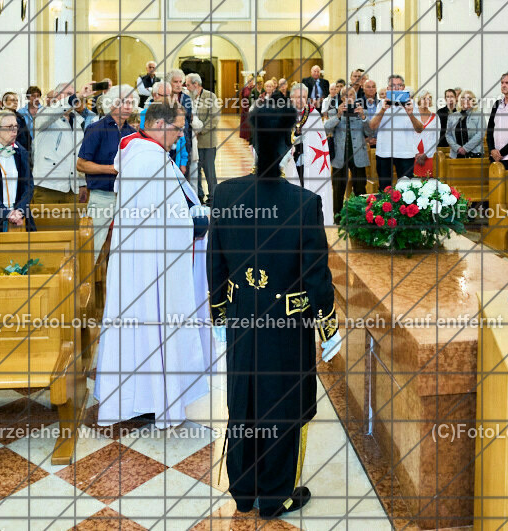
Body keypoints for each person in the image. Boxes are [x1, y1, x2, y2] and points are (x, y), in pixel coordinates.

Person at [208, 102, 341, 520]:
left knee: (244, 399)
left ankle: (244, 491)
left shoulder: (226, 193)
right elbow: (316, 274)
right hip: (287, 323)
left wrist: (219, 312)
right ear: (287, 145)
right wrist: (328, 325)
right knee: (282, 405)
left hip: (243, 318)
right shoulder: (303, 203)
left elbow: (216, 261)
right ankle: (275, 496)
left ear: (250, 139)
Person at [93, 101, 212, 430]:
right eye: (176, 128)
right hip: (151, 265)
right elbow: (166, 219)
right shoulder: (148, 159)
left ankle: (146, 396)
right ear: (159, 125)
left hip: (145, 260)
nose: (179, 135)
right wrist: (195, 223)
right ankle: (152, 397)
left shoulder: (142, 153)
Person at [77, 85, 139, 255]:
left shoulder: (133, 134)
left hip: (126, 197)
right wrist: (112, 169)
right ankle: (84, 281)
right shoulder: (96, 129)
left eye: (131, 102)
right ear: (111, 104)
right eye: (123, 102)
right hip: (102, 196)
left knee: (125, 246)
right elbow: (81, 165)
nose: (128, 106)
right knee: (93, 246)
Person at [283, 83, 334, 225]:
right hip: (290, 161)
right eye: (297, 97)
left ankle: (310, 221)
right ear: (291, 97)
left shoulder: (313, 114)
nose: (301, 100)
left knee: (308, 190)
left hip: (310, 161)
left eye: (304, 97)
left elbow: (318, 141)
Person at [31, 83, 87, 204]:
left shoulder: (78, 122)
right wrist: (77, 96)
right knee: (46, 222)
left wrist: (82, 184)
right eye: (68, 94)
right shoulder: (44, 114)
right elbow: (53, 112)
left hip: (72, 188)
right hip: (48, 186)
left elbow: (78, 155)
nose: (73, 98)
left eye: (73, 95)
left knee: (72, 223)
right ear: (56, 97)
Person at [369, 75, 426, 186]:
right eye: (392, 86)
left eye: (399, 85)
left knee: (406, 190)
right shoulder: (381, 104)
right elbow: (372, 126)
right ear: (388, 88)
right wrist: (383, 110)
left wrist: (410, 114)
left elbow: (420, 129)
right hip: (384, 152)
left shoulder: (411, 104)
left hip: (405, 153)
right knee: (385, 188)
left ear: (403, 87)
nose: (395, 88)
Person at [324, 86, 371, 213]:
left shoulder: (362, 111)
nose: (348, 97)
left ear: (355, 97)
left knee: (360, 188)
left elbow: (370, 131)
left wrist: (363, 117)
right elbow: (326, 129)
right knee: (338, 188)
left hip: (358, 155)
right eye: (345, 95)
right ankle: (337, 216)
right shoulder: (334, 111)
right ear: (341, 97)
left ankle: (361, 215)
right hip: (340, 156)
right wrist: (338, 115)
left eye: (351, 95)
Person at [187, 73, 221, 205]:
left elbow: (214, 119)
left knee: (209, 171)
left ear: (196, 84)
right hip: (193, 142)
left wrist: (199, 131)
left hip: (207, 140)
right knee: (196, 171)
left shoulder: (210, 96)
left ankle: (213, 197)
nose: (187, 87)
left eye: (188, 84)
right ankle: (199, 196)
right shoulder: (188, 97)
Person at [446, 90, 485, 158]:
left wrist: (465, 148)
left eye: (469, 98)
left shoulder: (479, 115)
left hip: (474, 154)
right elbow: (448, 135)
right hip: (456, 154)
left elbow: (480, 134)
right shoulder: (452, 116)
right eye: (463, 98)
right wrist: (457, 148)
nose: (466, 100)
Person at [413, 92, 439, 178]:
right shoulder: (413, 116)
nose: (426, 101)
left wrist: (426, 154)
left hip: (429, 156)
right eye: (423, 98)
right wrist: (415, 153)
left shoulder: (435, 117)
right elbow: (408, 136)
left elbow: (436, 137)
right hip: (413, 156)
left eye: (428, 99)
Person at [239, 72, 257, 143]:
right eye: (249, 80)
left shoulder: (255, 88)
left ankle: (252, 136)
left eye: (252, 80)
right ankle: (246, 136)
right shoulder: (244, 88)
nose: (250, 81)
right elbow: (242, 97)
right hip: (245, 108)